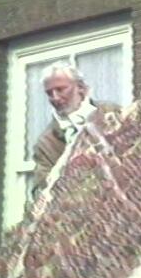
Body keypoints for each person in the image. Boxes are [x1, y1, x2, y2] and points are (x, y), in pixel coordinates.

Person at [32, 62, 118, 191]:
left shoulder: (112, 113)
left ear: (81, 88)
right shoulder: (45, 143)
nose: (55, 98)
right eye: (49, 93)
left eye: (61, 89)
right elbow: (41, 191)